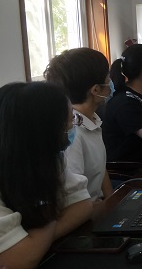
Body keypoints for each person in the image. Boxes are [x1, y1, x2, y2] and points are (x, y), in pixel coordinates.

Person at [0, 82, 92, 268]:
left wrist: (34, 242)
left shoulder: (45, 158)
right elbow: (18, 261)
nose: (72, 128)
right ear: (42, 132)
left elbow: (82, 205)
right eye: (68, 123)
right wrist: (49, 206)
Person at [44, 47, 114, 202]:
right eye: (108, 79)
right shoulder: (72, 133)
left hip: (99, 204)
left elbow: (100, 168)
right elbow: (74, 198)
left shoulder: (91, 119)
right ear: (96, 89)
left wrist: (112, 201)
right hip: (85, 211)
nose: (111, 84)